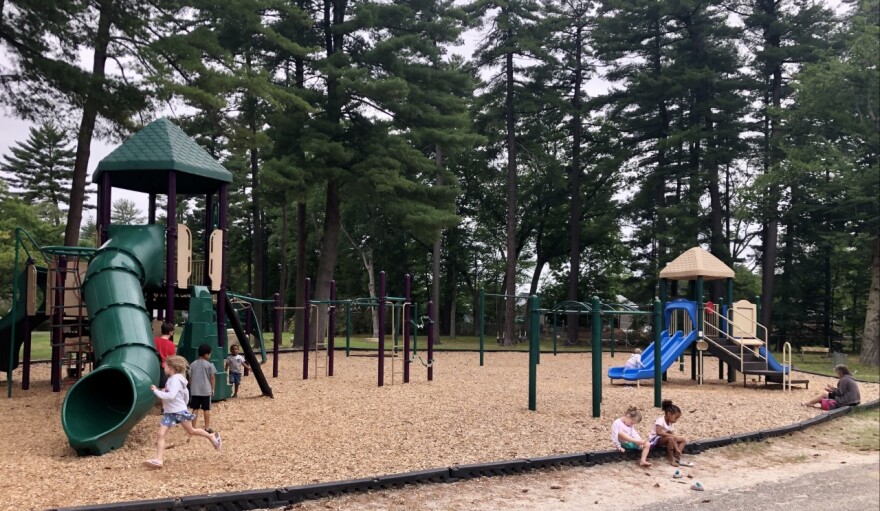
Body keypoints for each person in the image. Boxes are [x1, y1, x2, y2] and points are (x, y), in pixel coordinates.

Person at [145, 355, 221, 468]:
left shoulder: (175, 380)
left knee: (191, 431)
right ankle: (159, 460)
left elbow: (171, 396)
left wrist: (156, 391)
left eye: (165, 366)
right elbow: (185, 394)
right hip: (170, 412)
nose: (163, 367)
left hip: (178, 411)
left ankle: (211, 437)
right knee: (161, 434)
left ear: (171, 367)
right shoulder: (173, 379)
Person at [649, 400, 690, 467]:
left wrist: (676, 448)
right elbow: (658, 432)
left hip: (667, 438)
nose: (676, 420)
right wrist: (671, 437)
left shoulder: (670, 423)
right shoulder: (660, 420)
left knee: (683, 439)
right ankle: (671, 459)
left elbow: (672, 436)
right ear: (669, 414)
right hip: (655, 439)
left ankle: (677, 456)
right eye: (675, 418)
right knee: (670, 438)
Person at [189, 343, 217, 433]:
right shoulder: (209, 365)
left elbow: (190, 377)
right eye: (210, 354)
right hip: (206, 391)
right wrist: (212, 388)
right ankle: (207, 427)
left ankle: (193, 427)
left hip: (195, 390)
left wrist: (191, 386)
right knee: (206, 409)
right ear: (206, 354)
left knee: (195, 409)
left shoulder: (192, 364)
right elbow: (212, 377)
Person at [153, 322, 177, 388]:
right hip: (165, 369)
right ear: (170, 332)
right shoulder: (171, 344)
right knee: (164, 389)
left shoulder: (154, 341)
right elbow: (173, 359)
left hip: (154, 367)